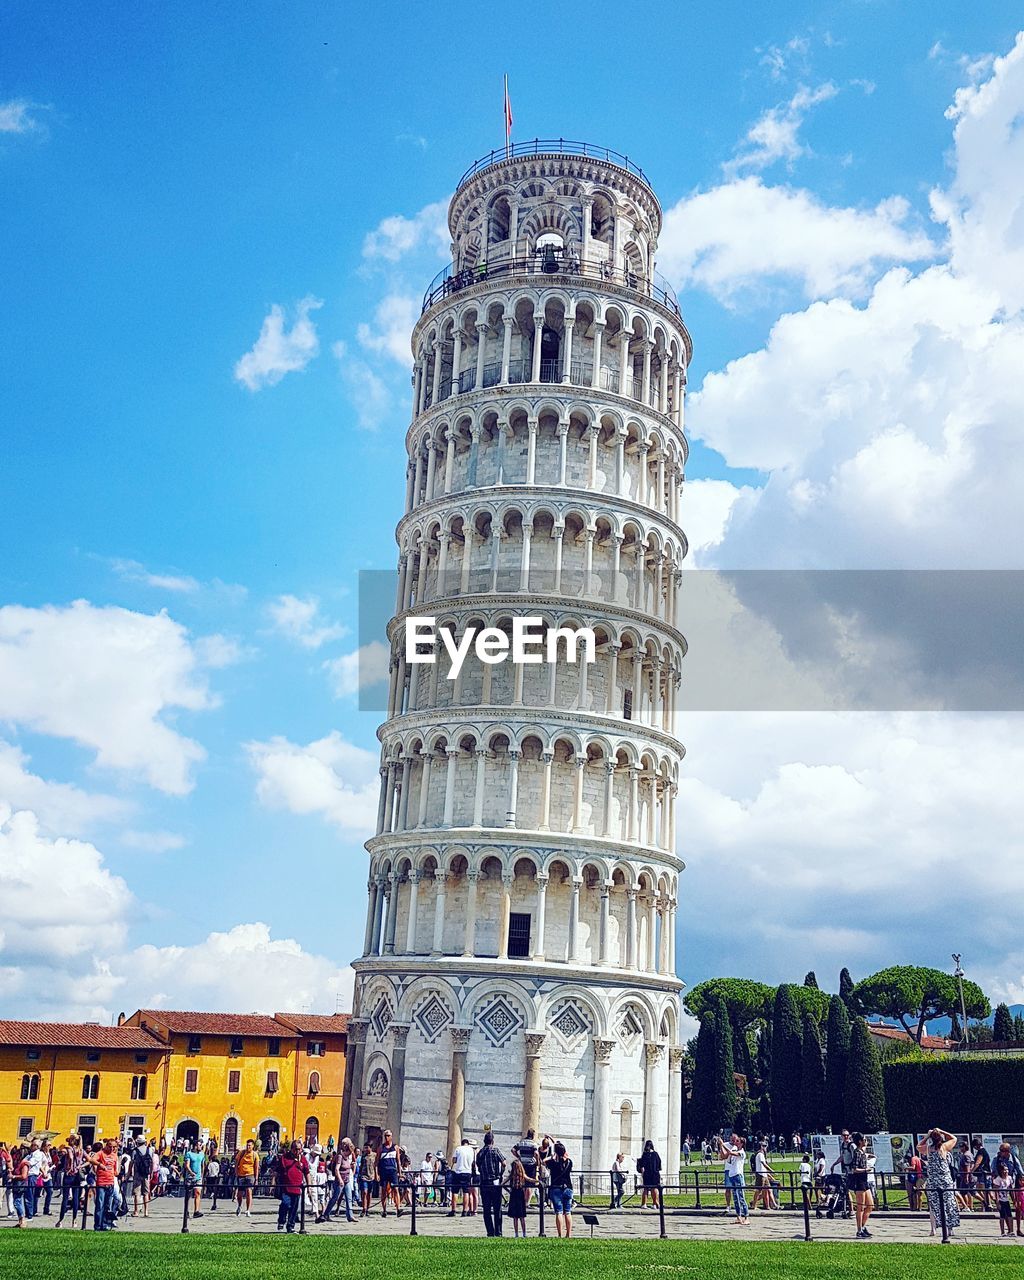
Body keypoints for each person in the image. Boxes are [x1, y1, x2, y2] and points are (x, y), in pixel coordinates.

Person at [919, 1128, 961, 1240]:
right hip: (945, 1180)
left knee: (934, 1205)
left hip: (933, 1180)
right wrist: (942, 1131)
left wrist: (927, 1136)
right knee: (949, 1203)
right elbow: (954, 1138)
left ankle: (933, 1228)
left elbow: (919, 1146)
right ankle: (950, 1228)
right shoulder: (944, 1147)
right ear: (941, 1138)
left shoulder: (928, 1149)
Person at [476, 1130, 506, 1237]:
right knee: (497, 1208)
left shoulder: (480, 1153)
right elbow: (504, 1162)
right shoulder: (495, 1150)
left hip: (484, 1182)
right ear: (492, 1141)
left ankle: (490, 1231)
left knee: (486, 1209)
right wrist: (500, 1173)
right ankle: (498, 1232)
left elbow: (478, 1166)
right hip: (495, 1182)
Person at [275, 1141, 309, 1233]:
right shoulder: (284, 1158)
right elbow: (278, 1172)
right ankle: (281, 1221)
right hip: (286, 1186)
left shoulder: (303, 1159)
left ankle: (290, 1226)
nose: (298, 1151)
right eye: (296, 1149)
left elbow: (306, 1172)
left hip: (297, 1187)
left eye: (299, 1149)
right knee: (285, 1204)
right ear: (292, 1149)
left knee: (294, 1208)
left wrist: (308, 1186)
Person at [717, 1133, 749, 1225]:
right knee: (735, 1198)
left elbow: (731, 1153)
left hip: (738, 1175)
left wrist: (723, 1144)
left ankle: (746, 1216)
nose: (735, 1142)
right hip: (732, 1175)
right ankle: (738, 1217)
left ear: (742, 1144)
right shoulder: (734, 1149)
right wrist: (722, 1147)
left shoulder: (742, 1152)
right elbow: (725, 1156)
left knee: (741, 1197)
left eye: (738, 1141)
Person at [88, 1137, 119, 1231]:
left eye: (114, 1147)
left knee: (107, 1205)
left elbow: (115, 1167)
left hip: (110, 1182)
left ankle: (104, 1224)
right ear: (106, 1146)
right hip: (101, 1182)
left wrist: (116, 1171)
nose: (112, 1149)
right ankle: (97, 1225)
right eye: (110, 1147)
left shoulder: (114, 1155)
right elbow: (91, 1159)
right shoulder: (101, 1153)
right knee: (99, 1205)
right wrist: (100, 1164)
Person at [545, 1140, 574, 1238]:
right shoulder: (569, 1162)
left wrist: (552, 1156)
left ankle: (560, 1234)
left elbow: (543, 1162)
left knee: (559, 1212)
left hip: (556, 1188)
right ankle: (568, 1234)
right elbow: (566, 1161)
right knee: (568, 1211)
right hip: (568, 1188)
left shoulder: (553, 1163)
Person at [848, 1132, 873, 1238]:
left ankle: (862, 1226)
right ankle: (859, 1230)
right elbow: (854, 1169)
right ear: (860, 1141)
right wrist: (865, 1169)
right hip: (859, 1181)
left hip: (864, 1180)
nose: (866, 1142)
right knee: (860, 1207)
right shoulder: (857, 1152)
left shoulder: (862, 1152)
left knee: (870, 1205)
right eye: (865, 1140)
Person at [505, 1147, 534, 1238]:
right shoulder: (522, 1174)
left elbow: (506, 1179)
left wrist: (500, 1184)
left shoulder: (512, 1175)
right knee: (522, 1216)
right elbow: (528, 1178)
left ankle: (516, 1233)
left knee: (515, 1216)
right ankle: (524, 1233)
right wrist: (537, 1181)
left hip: (513, 1194)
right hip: (520, 1194)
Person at [377, 1129, 403, 1216]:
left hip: (393, 1171)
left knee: (395, 1189)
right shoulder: (381, 1148)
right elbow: (376, 1162)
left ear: (391, 1137)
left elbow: (398, 1161)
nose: (386, 1137)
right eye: (385, 1136)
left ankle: (398, 1208)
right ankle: (384, 1210)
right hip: (384, 1171)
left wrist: (400, 1173)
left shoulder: (395, 1147)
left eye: (388, 1136)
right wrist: (377, 1174)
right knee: (384, 1190)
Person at [829, 1129, 854, 1219]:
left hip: (852, 1170)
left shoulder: (852, 1145)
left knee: (851, 1190)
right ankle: (850, 1209)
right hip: (846, 1170)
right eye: (844, 1135)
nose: (846, 1137)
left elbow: (855, 1157)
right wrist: (834, 1164)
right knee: (846, 1190)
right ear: (841, 1136)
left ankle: (852, 1209)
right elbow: (842, 1157)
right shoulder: (843, 1145)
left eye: (847, 1135)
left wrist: (854, 1169)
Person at [448, 1137, 475, 1217]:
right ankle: (465, 1210)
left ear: (462, 1143)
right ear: (468, 1144)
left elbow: (454, 1160)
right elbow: (473, 1161)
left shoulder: (458, 1149)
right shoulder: (471, 1150)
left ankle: (453, 1210)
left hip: (458, 1171)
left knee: (455, 1191)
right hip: (467, 1172)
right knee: (466, 1192)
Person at [234, 1139, 259, 1217]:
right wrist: (236, 1172)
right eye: (247, 1145)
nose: (248, 1147)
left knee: (249, 1192)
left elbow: (256, 1167)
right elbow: (236, 1162)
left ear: (253, 1146)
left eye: (250, 1145)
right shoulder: (241, 1153)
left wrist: (256, 1178)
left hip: (250, 1175)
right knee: (240, 1193)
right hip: (241, 1175)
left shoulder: (255, 1155)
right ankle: (239, 1206)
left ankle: (248, 1210)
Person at [751, 1141, 778, 1211]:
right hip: (761, 1174)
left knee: (769, 1190)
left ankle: (774, 1205)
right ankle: (754, 1205)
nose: (766, 1147)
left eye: (766, 1146)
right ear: (761, 1147)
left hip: (764, 1175)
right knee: (758, 1191)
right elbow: (764, 1164)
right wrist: (772, 1171)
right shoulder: (760, 1154)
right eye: (764, 1146)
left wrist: (770, 1175)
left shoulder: (761, 1154)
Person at [182, 1141, 205, 1219]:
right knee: (188, 1195)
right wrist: (191, 1172)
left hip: (198, 1177)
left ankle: (196, 1211)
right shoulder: (189, 1154)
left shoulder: (202, 1154)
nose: (201, 1146)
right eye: (199, 1145)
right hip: (190, 1177)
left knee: (197, 1193)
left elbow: (202, 1165)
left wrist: (202, 1175)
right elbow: (186, 1165)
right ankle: (186, 1211)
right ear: (195, 1146)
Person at [637, 1139, 662, 1209]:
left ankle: (644, 1204)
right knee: (654, 1189)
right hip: (655, 1173)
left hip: (647, 1174)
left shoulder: (645, 1154)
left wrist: (642, 1172)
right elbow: (659, 1163)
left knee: (646, 1188)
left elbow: (642, 1164)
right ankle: (655, 1204)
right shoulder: (655, 1154)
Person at [131, 1137, 152, 1217]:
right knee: (146, 1193)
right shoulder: (149, 1150)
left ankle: (136, 1211)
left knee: (137, 1193)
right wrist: (151, 1172)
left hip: (137, 1173)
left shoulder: (135, 1151)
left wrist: (129, 1173)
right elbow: (152, 1162)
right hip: (146, 1174)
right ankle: (146, 1211)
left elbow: (132, 1163)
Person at [518, 1128, 539, 1206]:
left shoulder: (521, 1142)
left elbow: (513, 1149)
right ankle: (527, 1202)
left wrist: (519, 1157)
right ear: (533, 1135)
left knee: (523, 1183)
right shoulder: (533, 1144)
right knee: (530, 1185)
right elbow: (536, 1153)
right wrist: (537, 1161)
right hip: (531, 1165)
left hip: (522, 1164)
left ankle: (522, 1201)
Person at [10, 1145, 30, 1228]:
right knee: (17, 1201)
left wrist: (14, 1176)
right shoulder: (19, 1163)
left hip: (20, 1185)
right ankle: (20, 1220)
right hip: (16, 1184)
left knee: (17, 1202)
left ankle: (22, 1219)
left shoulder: (24, 1164)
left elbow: (24, 1176)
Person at [993, 1160, 1014, 1236]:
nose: (1006, 1171)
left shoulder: (1009, 1178)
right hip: (1001, 1200)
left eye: (1007, 1170)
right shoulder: (998, 1180)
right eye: (1004, 1170)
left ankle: (1011, 1230)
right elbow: (996, 1192)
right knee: (1002, 1215)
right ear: (1001, 1171)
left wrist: (1013, 1199)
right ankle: (1002, 1232)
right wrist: (997, 1202)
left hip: (1006, 1199)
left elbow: (1011, 1189)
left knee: (1010, 1215)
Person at [359, 1142, 377, 1218]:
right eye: (365, 1147)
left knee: (369, 1193)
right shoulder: (363, 1156)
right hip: (364, 1176)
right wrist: (359, 1175)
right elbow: (361, 1165)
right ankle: (364, 1208)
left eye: (367, 1147)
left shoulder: (375, 1155)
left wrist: (377, 1175)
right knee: (364, 1192)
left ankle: (367, 1209)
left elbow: (376, 1165)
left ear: (370, 1148)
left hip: (371, 1176)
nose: (365, 1149)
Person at [903, 1147, 923, 1212]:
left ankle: (913, 1207)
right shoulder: (918, 1158)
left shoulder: (913, 1159)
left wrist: (906, 1168)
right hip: (919, 1176)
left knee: (912, 1193)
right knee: (918, 1193)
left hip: (912, 1177)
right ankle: (917, 1207)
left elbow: (913, 1167)